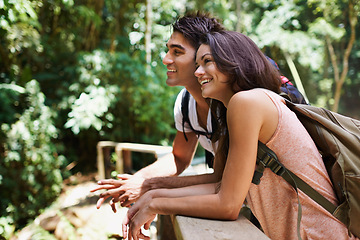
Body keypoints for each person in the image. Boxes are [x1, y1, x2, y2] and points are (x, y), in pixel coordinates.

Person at [122, 31, 357, 240]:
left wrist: (155, 204)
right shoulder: (236, 109)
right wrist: (151, 196)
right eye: (197, 64)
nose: (198, 72)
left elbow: (227, 205)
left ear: (233, 63)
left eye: (207, 62)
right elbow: (220, 186)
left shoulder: (247, 102)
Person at [91, 12, 226, 210]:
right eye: (168, 50)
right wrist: (136, 180)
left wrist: (149, 187)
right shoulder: (185, 103)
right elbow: (179, 158)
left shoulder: (230, 103)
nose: (165, 59)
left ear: (203, 56)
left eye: (177, 52)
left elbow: (223, 179)